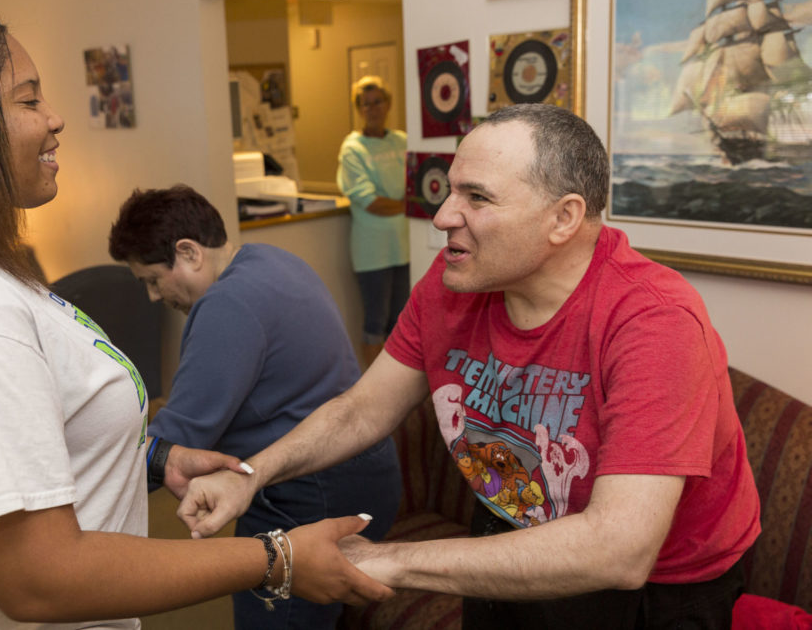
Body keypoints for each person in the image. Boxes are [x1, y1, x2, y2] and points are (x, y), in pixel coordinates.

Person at [0, 2, 391, 629]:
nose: (56, 119)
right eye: (28, 101)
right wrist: (275, 558)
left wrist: (153, 460)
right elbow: (41, 580)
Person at [179, 103, 762, 629]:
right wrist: (249, 475)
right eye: (451, 190)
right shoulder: (456, 279)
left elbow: (619, 549)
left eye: (477, 198)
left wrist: (383, 558)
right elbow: (361, 411)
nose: (442, 217)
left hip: (659, 586)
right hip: (516, 527)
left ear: (563, 218)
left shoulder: (654, 320)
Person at [108, 185, 402, 630]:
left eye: (152, 279)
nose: (153, 296)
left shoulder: (226, 305)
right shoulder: (269, 259)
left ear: (188, 253)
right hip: (364, 472)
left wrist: (92, 471)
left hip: (308, 494)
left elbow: (180, 440)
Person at [336, 75, 410, 367]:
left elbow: (418, 187)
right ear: (359, 109)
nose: (371, 109)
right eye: (364, 104)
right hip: (372, 252)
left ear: (388, 104)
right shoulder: (352, 148)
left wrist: (407, 203)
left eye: (377, 102)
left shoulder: (401, 141)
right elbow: (372, 202)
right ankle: (375, 397)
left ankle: (401, 398)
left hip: (402, 247)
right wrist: (408, 205)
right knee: (375, 324)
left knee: (402, 323)